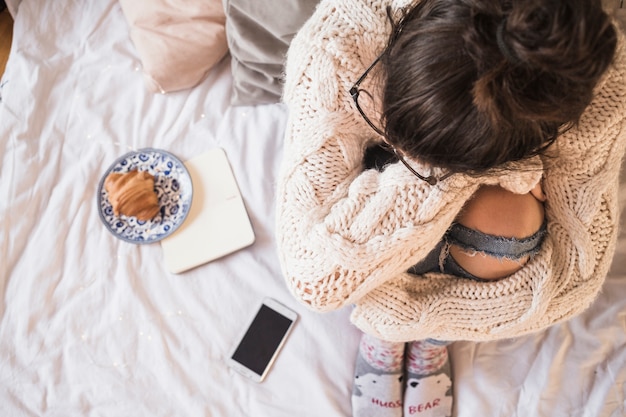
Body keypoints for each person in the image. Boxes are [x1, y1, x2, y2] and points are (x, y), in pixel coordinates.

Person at [276, 0, 625, 416]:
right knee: (352, 239)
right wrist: (453, 172)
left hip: (483, 181)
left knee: (510, 229)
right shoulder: (343, 38)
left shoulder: (594, 75)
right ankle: (399, 338)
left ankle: (427, 341)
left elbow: (574, 281)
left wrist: (410, 316)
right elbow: (312, 276)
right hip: (392, 178)